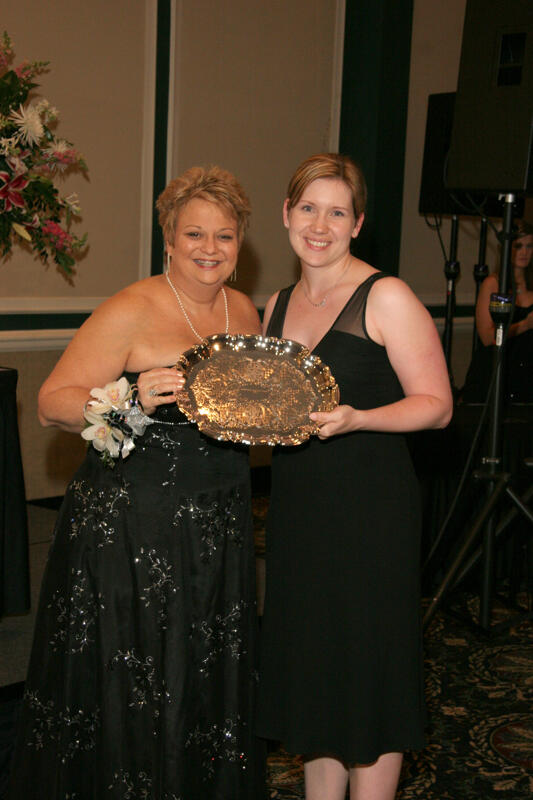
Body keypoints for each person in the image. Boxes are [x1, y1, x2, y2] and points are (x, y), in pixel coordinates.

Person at [6, 166, 265, 799]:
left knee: (199, 666)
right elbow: (51, 403)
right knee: (139, 666)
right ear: (169, 239)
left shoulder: (245, 310)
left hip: (218, 518)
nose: (209, 249)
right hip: (131, 526)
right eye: (194, 234)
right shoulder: (132, 306)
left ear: (241, 243)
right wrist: (130, 397)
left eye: (224, 236)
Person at [256, 153, 452, 800]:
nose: (319, 224)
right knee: (316, 667)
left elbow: (436, 405)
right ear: (286, 214)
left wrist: (358, 418)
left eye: (336, 212)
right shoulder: (276, 305)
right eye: (307, 208)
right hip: (300, 510)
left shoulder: (385, 295)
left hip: (369, 512)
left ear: (356, 223)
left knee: (367, 671)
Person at [461, 219, 533, 404]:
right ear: (507, 249)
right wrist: (524, 325)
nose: (524, 252)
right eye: (518, 246)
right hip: (497, 368)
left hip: (526, 372)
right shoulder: (494, 284)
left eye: (529, 246)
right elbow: (487, 337)